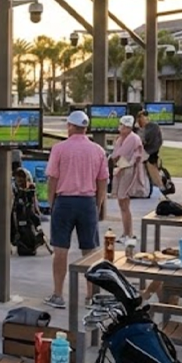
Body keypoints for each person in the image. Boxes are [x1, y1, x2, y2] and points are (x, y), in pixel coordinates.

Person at [43, 111, 108, 309]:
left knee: (60, 250)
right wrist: (97, 204)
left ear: (70, 126)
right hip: (87, 201)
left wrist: (51, 202)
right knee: (89, 251)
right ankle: (90, 295)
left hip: (64, 201)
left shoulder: (59, 148)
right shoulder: (98, 150)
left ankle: (58, 294)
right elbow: (102, 180)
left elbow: (52, 178)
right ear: (86, 128)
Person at [109, 115, 147, 244]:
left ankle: (128, 233)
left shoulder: (133, 139)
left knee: (124, 201)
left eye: (121, 125)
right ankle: (126, 232)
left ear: (127, 127)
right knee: (122, 203)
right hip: (120, 169)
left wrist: (115, 157)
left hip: (128, 170)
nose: (119, 127)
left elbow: (120, 154)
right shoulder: (120, 139)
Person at [136, 109, 165, 193]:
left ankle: (159, 185)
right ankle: (159, 184)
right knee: (152, 167)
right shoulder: (153, 126)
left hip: (149, 151)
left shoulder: (151, 127)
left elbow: (143, 140)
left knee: (151, 167)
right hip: (151, 150)